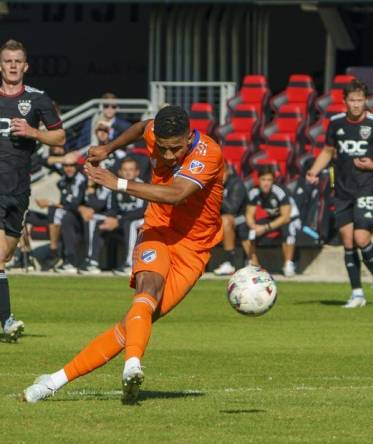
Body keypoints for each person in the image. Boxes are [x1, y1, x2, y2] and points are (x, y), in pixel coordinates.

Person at [22, 105, 224, 404]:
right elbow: (142, 126)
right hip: (157, 227)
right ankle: (132, 365)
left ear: (189, 135)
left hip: (194, 247)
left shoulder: (208, 153)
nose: (168, 156)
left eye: (176, 149)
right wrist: (108, 147)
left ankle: (54, 380)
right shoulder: (155, 132)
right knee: (147, 290)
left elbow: (177, 194)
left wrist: (118, 183)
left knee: (134, 323)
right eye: (164, 149)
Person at [306, 79, 373, 308]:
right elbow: (329, 150)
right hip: (342, 189)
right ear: (345, 101)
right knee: (348, 242)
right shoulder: (336, 123)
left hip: (366, 187)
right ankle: (357, 293)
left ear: (366, 101)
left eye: (360, 100)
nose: (356, 105)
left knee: (361, 238)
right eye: (352, 100)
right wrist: (314, 171)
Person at [0, 39, 65, 341]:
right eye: (7, 60)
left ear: (25, 66)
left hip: (19, 188)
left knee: (7, 254)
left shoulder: (38, 100)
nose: (12, 65)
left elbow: (60, 137)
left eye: (17, 61)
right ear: (0, 65)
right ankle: (7, 320)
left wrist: (34, 132)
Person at [243, 167, 300, 277]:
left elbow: (285, 217)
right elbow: (249, 215)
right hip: (274, 218)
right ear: (258, 180)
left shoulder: (280, 192)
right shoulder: (254, 192)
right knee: (245, 228)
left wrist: (264, 228)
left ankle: (288, 264)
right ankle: (254, 265)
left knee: (288, 227)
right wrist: (253, 226)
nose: (266, 183)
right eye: (263, 180)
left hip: (293, 219)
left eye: (269, 180)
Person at [112, 157, 147, 273]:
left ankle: (130, 263)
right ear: (120, 172)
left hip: (143, 219)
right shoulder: (117, 186)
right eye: (125, 169)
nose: (127, 172)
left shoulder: (142, 186)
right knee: (96, 220)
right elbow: (113, 208)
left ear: (137, 172)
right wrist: (110, 218)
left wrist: (120, 220)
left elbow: (143, 211)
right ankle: (91, 261)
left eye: (131, 169)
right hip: (123, 219)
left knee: (131, 224)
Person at [213, 163, 249, 276]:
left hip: (241, 219)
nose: (219, 176)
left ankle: (230, 262)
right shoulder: (211, 184)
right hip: (217, 219)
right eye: (217, 173)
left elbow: (232, 209)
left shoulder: (237, 184)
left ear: (228, 171)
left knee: (226, 220)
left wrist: (216, 193)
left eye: (222, 173)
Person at [81, 177, 117, 274]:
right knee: (89, 219)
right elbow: (78, 202)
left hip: (112, 216)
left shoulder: (106, 186)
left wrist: (90, 189)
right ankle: (90, 259)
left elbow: (97, 205)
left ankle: (92, 260)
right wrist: (81, 208)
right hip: (100, 216)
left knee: (92, 221)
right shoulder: (84, 185)